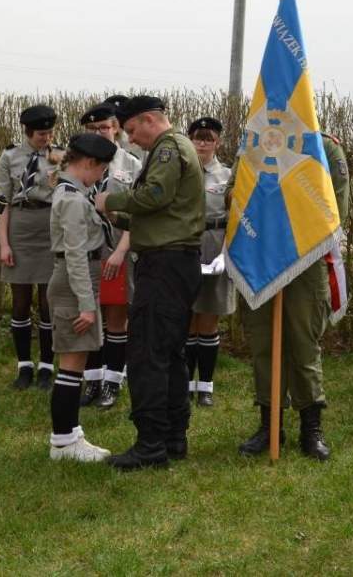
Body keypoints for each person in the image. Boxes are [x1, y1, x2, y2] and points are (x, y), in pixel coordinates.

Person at [95, 96, 204, 471]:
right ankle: (173, 437)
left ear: (148, 120)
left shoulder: (168, 148)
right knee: (169, 354)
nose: (130, 139)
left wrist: (111, 200)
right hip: (174, 262)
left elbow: (155, 195)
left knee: (148, 355)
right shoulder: (173, 148)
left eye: (130, 130)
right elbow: (164, 212)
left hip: (165, 266)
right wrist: (120, 218)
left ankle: (151, 444)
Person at [233, 131, 349, 461]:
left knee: (303, 344)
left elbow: (337, 207)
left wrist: (293, 223)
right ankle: (269, 425)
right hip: (260, 257)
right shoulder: (255, 140)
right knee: (264, 343)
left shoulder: (325, 147)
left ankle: (311, 428)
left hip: (306, 259)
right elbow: (234, 192)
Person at [46, 133, 117, 461]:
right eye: (101, 169)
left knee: (74, 364)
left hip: (80, 281)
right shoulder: (73, 199)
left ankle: (71, 434)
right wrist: (86, 306)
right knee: (71, 365)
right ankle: (63, 442)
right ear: (88, 163)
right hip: (75, 284)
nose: (101, 176)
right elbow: (74, 255)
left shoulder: (76, 193)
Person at [77, 102, 143, 409]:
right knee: (90, 315)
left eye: (103, 127)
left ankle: (112, 382)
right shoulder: (79, 163)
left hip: (117, 250)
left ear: (115, 128)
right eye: (91, 129)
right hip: (87, 252)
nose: (98, 133)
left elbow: (138, 214)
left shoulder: (131, 165)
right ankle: (92, 380)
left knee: (117, 317)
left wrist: (120, 251)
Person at [0, 105, 62, 391]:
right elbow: (2, 201)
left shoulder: (61, 155)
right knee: (20, 301)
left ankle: (47, 366)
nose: (46, 138)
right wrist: (4, 244)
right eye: (40, 134)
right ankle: (24, 365)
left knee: (49, 302)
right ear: (27, 132)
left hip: (50, 226)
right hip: (20, 227)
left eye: (50, 133)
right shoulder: (9, 157)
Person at [185, 117, 234, 407]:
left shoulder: (227, 176)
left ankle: (205, 385)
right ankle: (185, 382)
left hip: (216, 244)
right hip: (186, 243)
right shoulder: (181, 172)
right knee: (188, 315)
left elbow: (235, 217)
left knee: (209, 316)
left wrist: (225, 253)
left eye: (208, 138)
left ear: (218, 143)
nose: (202, 144)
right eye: (197, 138)